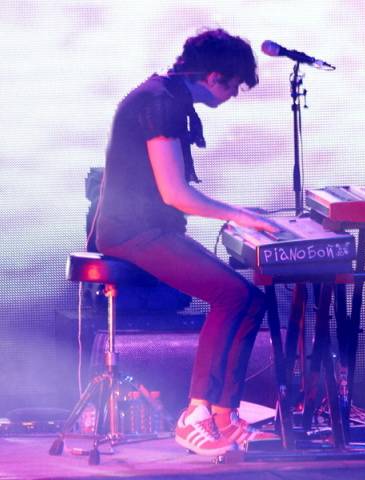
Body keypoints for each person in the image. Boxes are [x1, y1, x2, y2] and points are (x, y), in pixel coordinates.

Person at [95, 29, 279, 455]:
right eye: (234, 85)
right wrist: (239, 215)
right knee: (231, 295)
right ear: (214, 76)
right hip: (130, 230)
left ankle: (224, 416)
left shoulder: (169, 98)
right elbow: (175, 194)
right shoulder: (159, 103)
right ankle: (195, 414)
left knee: (251, 300)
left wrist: (239, 215)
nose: (233, 95)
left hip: (151, 227)